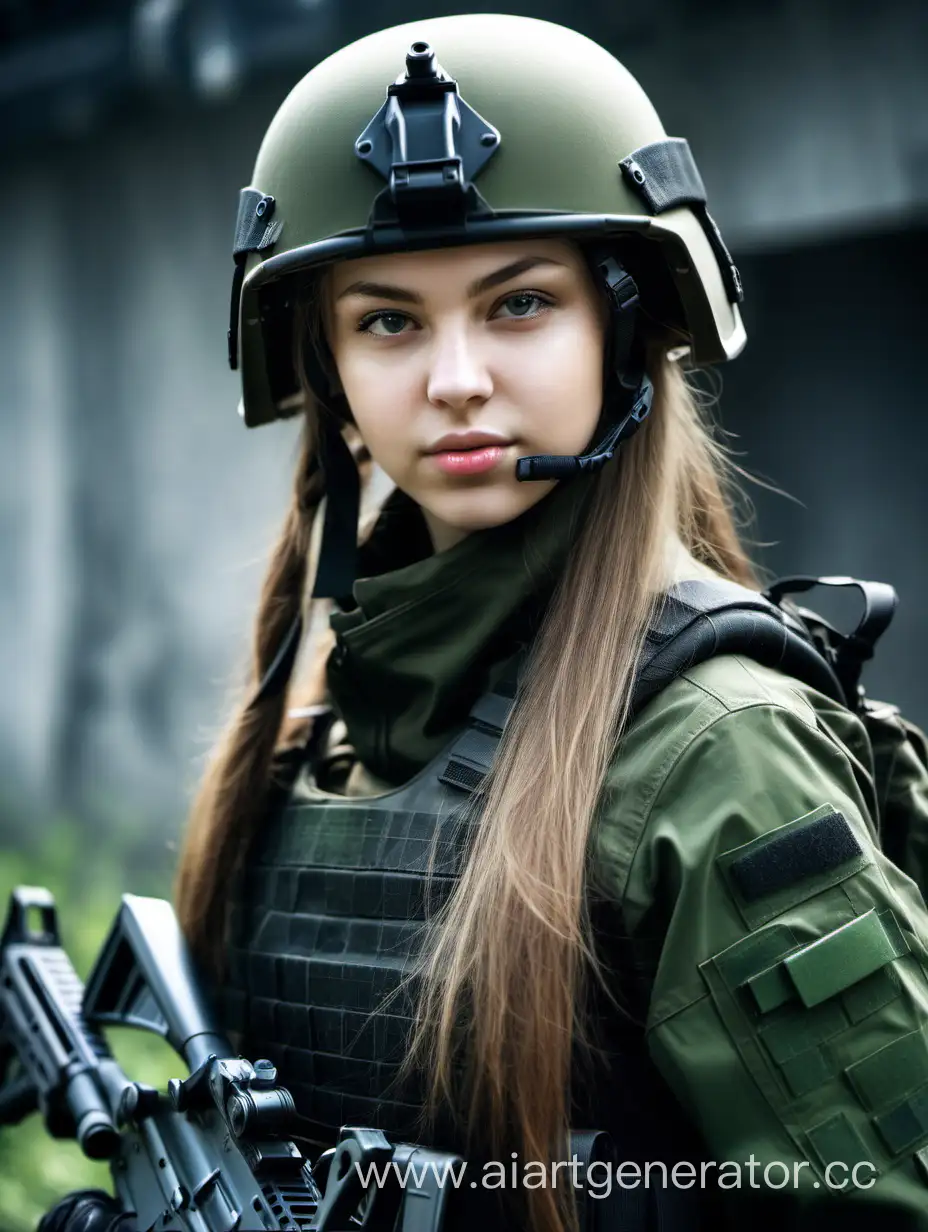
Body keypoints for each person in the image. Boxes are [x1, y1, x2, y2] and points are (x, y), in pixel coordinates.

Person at [39, 13, 928, 1232]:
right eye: (388, 320)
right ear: (331, 365)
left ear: (623, 328)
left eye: (517, 304)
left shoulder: (716, 748)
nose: (451, 376)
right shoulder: (319, 745)